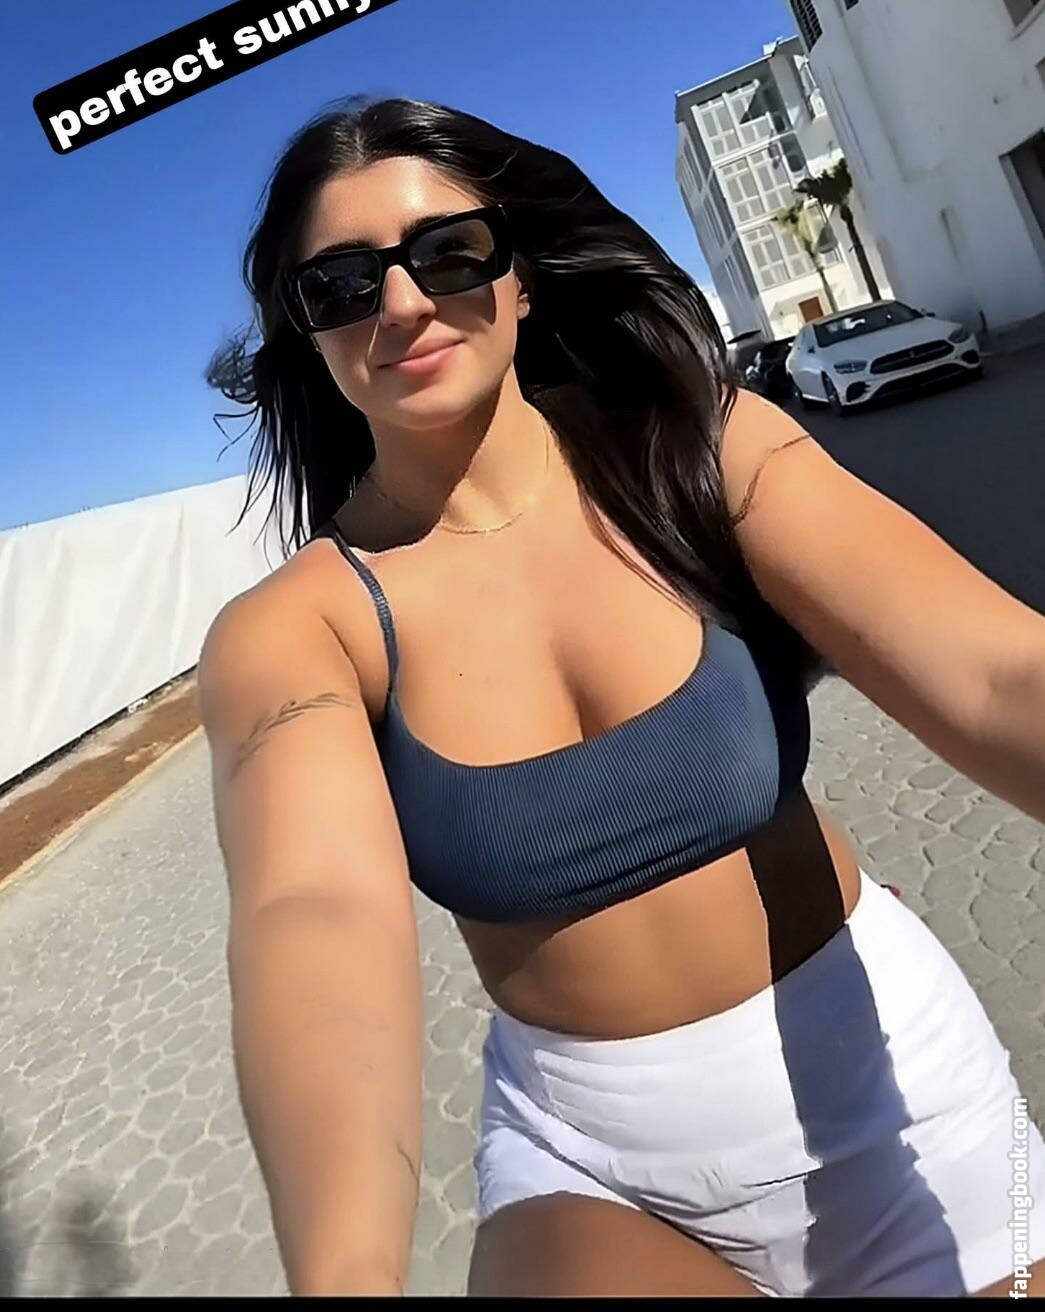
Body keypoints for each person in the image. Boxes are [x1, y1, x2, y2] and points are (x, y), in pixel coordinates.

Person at [199, 95, 1045, 1298]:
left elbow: (995, 673)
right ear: (310, 334)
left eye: (448, 252)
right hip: (591, 1161)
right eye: (339, 284)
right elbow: (314, 913)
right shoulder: (294, 629)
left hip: (891, 1087)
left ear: (521, 278)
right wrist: (343, 1276)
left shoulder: (699, 450)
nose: (401, 303)